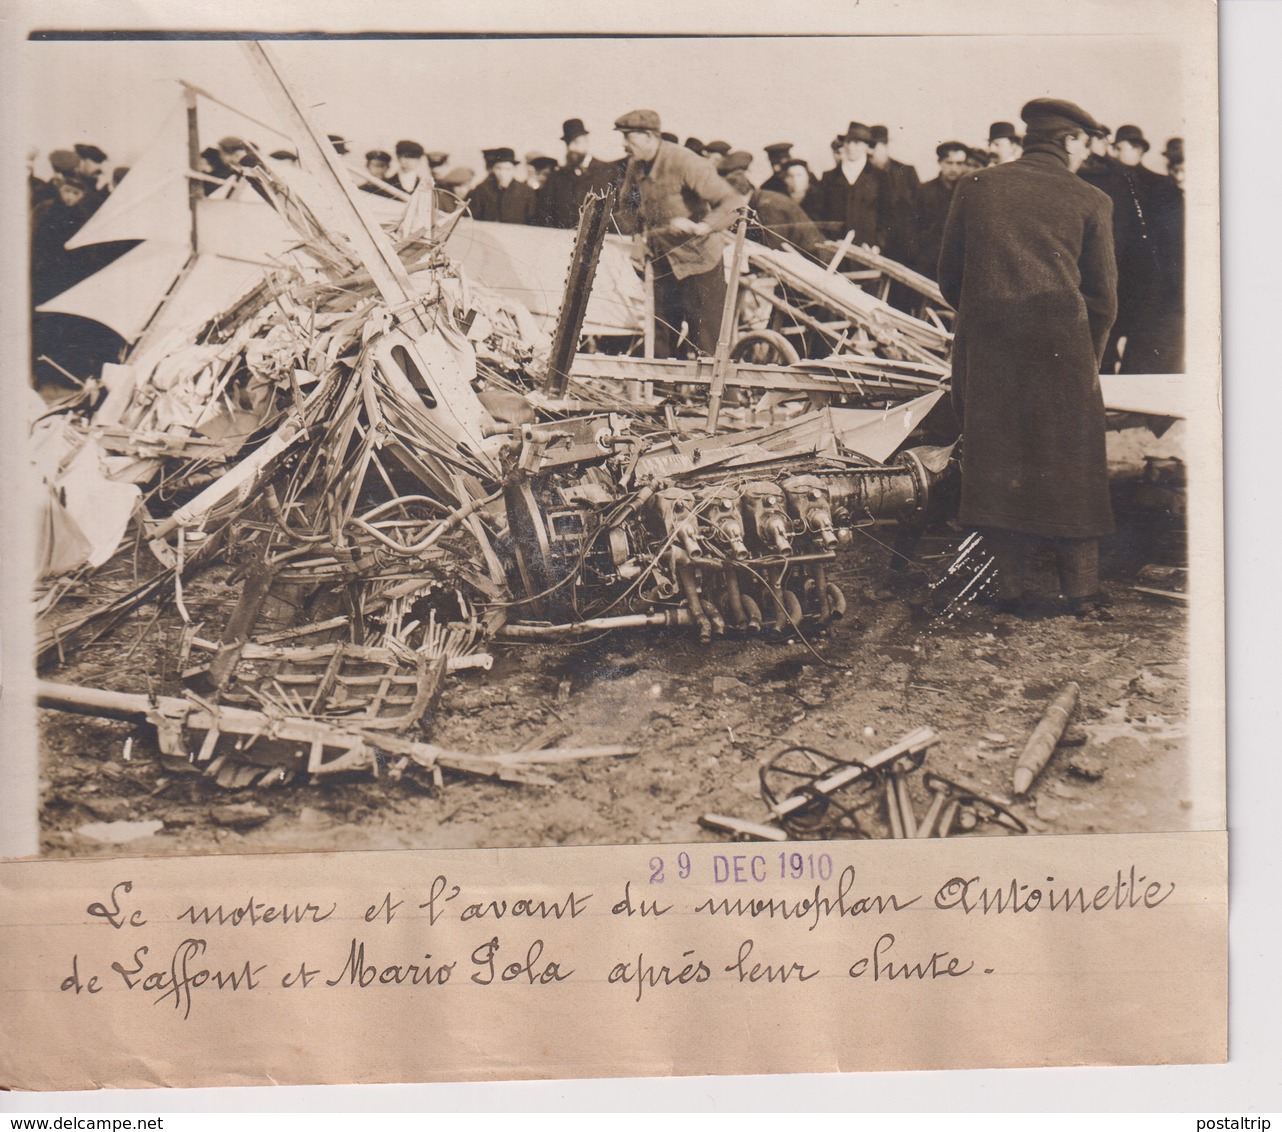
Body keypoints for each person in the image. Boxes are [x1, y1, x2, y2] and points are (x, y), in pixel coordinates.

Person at [937, 97, 1118, 618]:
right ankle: (1080, 592)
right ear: (1070, 141)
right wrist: (1087, 357)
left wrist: (985, 319)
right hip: (1062, 348)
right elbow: (1103, 299)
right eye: (1084, 144)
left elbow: (951, 276)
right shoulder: (1091, 199)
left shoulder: (975, 186)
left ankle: (1005, 589)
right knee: (1072, 461)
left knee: (995, 458)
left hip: (989, 345)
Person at [613, 109, 745, 358]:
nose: (623, 144)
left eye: (629, 138)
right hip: (663, 261)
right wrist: (637, 239)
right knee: (660, 339)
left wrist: (704, 226)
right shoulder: (635, 166)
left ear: (650, 137)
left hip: (700, 262)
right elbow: (627, 207)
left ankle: (721, 398)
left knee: (708, 342)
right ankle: (663, 397)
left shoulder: (686, 162)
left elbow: (732, 203)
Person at [1097, 124, 1183, 372]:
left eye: (1134, 147)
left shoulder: (1160, 183)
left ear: (1141, 150)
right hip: (1119, 269)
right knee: (1111, 339)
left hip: (1146, 273)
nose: (1128, 153)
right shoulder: (1107, 181)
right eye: (1124, 147)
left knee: (1143, 341)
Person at [720, 156, 824, 262]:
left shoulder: (767, 206)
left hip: (816, 262)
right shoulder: (763, 199)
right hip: (806, 257)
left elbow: (773, 247)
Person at [814, 121, 889, 250]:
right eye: (848, 142)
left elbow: (887, 215)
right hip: (835, 249)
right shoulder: (829, 178)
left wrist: (878, 244)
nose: (851, 147)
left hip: (868, 251)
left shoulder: (880, 177)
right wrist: (825, 241)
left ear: (866, 146)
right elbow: (818, 214)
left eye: (857, 143)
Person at [868, 124, 922, 301]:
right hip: (880, 246)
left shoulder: (906, 171)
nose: (869, 151)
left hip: (906, 246)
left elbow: (919, 208)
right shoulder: (866, 175)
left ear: (884, 147)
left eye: (873, 146)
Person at [538, 117, 621, 229]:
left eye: (576, 142)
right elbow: (544, 215)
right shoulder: (556, 178)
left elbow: (619, 211)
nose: (571, 147)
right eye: (568, 143)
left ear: (586, 141)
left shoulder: (608, 172)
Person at [912, 141, 969, 280]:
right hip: (929, 263)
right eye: (949, 162)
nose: (954, 168)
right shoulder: (925, 191)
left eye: (959, 163)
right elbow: (914, 227)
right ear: (940, 162)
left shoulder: (968, 192)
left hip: (959, 264)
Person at [466, 147, 537, 224]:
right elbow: (473, 217)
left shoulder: (526, 192)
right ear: (493, 169)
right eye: (499, 168)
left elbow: (531, 220)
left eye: (508, 169)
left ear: (514, 170)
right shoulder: (482, 190)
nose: (503, 174)